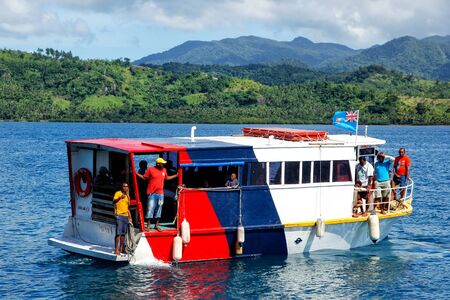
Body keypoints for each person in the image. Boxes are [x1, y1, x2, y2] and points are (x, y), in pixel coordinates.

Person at [137, 157, 178, 231]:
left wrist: (176, 175)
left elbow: (167, 178)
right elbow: (144, 178)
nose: (163, 165)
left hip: (160, 193)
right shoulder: (150, 169)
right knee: (150, 209)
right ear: (158, 164)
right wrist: (136, 173)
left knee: (159, 209)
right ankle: (148, 225)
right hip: (151, 193)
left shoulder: (164, 170)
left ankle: (157, 225)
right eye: (162, 164)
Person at [113, 182, 132, 255]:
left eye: (126, 186)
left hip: (126, 216)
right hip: (119, 215)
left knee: (123, 234)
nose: (125, 188)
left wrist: (130, 218)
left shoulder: (128, 196)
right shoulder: (118, 193)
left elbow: (128, 208)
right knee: (118, 233)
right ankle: (116, 249)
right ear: (122, 187)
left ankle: (121, 249)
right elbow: (114, 201)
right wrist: (120, 197)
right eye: (124, 186)